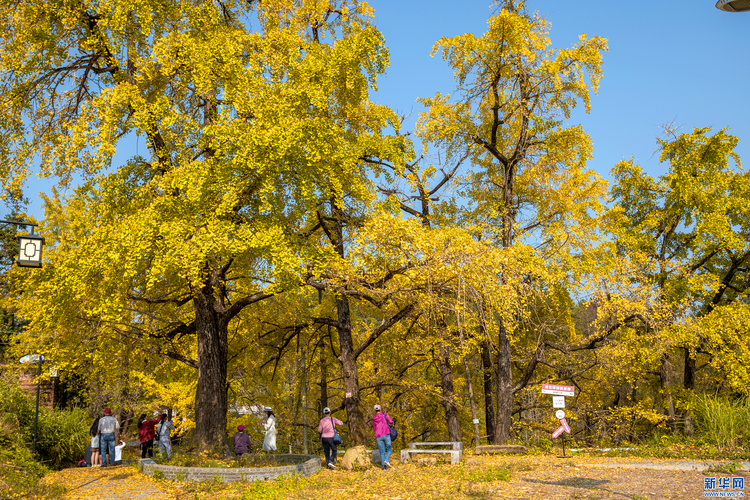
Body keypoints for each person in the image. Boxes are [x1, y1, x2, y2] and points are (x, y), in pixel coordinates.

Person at [371, 404, 394, 470]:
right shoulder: (385, 414)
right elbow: (391, 421)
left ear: (375, 411)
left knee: (382, 452)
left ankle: (384, 467)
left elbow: (374, 428)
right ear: (380, 409)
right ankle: (387, 460)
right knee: (389, 449)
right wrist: (391, 423)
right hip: (386, 433)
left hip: (378, 436)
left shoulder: (374, 419)